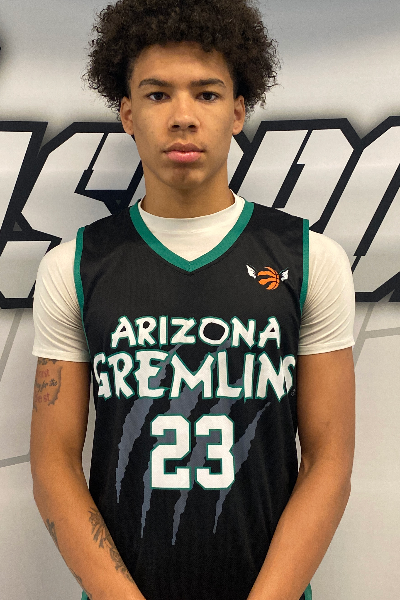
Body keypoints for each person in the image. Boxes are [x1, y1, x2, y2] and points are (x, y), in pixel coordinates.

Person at [29, 1, 356, 599]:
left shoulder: (311, 259)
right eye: (157, 95)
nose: (182, 117)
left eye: (206, 94)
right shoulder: (73, 266)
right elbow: (53, 465)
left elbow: (328, 461)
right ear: (127, 113)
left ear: (238, 111)